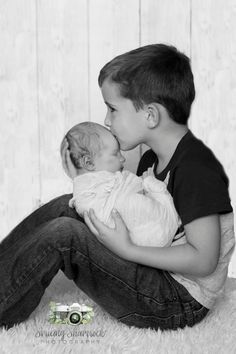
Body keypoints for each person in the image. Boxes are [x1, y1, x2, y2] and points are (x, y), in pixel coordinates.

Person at [0, 44, 234, 332]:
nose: (106, 120)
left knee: (65, 234)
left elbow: (204, 261)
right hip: (158, 274)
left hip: (179, 300)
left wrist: (127, 250)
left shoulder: (196, 170)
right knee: (68, 204)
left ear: (150, 116)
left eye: (112, 109)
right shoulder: (151, 158)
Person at [60, 121, 180, 247]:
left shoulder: (109, 185)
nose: (123, 158)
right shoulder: (90, 196)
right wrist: (150, 186)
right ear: (89, 163)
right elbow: (110, 216)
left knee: (62, 218)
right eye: (115, 153)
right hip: (142, 241)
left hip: (151, 241)